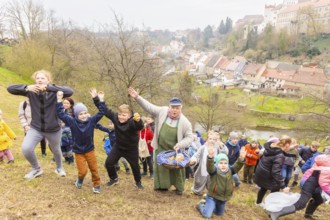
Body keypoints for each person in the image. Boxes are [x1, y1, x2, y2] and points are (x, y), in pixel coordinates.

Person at [7, 70, 73, 180]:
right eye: (38, 78)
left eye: (43, 78)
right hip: (36, 128)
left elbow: (69, 91)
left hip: (53, 129)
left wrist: (49, 88)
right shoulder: (31, 91)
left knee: (56, 149)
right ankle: (36, 169)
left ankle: (59, 168)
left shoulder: (54, 92)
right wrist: (26, 87)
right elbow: (10, 88)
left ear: (48, 80)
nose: (40, 80)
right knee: (26, 149)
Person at [128, 87, 193, 195]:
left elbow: (190, 138)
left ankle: (178, 188)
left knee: (176, 170)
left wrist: (180, 144)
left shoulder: (185, 122)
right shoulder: (162, 111)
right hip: (161, 147)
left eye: (177, 108)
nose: (175, 110)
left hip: (175, 150)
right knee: (161, 169)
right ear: (169, 107)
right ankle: (161, 186)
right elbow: (149, 107)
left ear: (181, 108)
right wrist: (137, 98)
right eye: (173, 107)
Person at [56, 89, 105, 194]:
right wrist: (59, 100)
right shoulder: (72, 122)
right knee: (82, 171)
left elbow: (101, 112)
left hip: (90, 150)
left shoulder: (91, 121)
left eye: (85, 113)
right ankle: (80, 179)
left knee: (94, 169)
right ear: (76, 115)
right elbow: (61, 114)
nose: (84, 115)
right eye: (81, 114)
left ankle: (96, 184)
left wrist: (100, 99)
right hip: (78, 152)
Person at [92, 91, 144, 189]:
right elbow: (104, 110)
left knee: (135, 166)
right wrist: (97, 98)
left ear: (129, 116)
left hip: (131, 149)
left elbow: (139, 126)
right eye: (120, 114)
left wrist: (139, 120)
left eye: (124, 115)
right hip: (118, 146)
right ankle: (114, 179)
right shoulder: (115, 117)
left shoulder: (132, 122)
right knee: (108, 163)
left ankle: (138, 182)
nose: (121, 116)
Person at [269, 147, 330, 220]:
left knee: (318, 199)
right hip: (309, 186)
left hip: (311, 184)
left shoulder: (319, 164)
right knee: (301, 204)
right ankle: (276, 213)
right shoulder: (327, 169)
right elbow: (324, 184)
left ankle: (308, 214)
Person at [196, 146, 246, 218]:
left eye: (225, 163)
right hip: (213, 197)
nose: (223, 165)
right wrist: (210, 157)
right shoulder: (214, 171)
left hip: (223, 198)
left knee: (219, 213)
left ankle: (208, 203)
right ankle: (201, 204)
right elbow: (209, 166)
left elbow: (237, 165)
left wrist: (241, 158)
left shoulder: (230, 170)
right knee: (207, 215)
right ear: (216, 164)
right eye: (221, 163)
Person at [254, 135, 292, 207]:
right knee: (275, 192)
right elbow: (275, 172)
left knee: (263, 187)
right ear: (287, 145)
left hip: (262, 172)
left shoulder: (271, 147)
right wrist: (283, 186)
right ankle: (271, 208)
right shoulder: (280, 155)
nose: (290, 147)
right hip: (268, 175)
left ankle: (258, 202)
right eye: (290, 145)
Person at [189, 131, 227, 196]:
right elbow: (197, 155)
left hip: (213, 168)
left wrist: (222, 145)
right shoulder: (203, 147)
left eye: (214, 139)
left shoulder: (217, 148)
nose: (212, 141)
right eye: (210, 139)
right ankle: (196, 191)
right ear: (207, 138)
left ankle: (212, 192)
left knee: (212, 182)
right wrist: (194, 160)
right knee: (199, 181)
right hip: (203, 168)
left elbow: (225, 153)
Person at [60, 97, 75, 164]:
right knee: (61, 146)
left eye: (67, 103)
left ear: (70, 104)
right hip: (61, 131)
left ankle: (71, 160)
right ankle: (66, 159)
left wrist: (65, 123)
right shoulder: (61, 111)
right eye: (64, 103)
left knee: (68, 146)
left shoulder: (72, 112)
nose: (65, 104)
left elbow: (72, 122)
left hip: (69, 133)